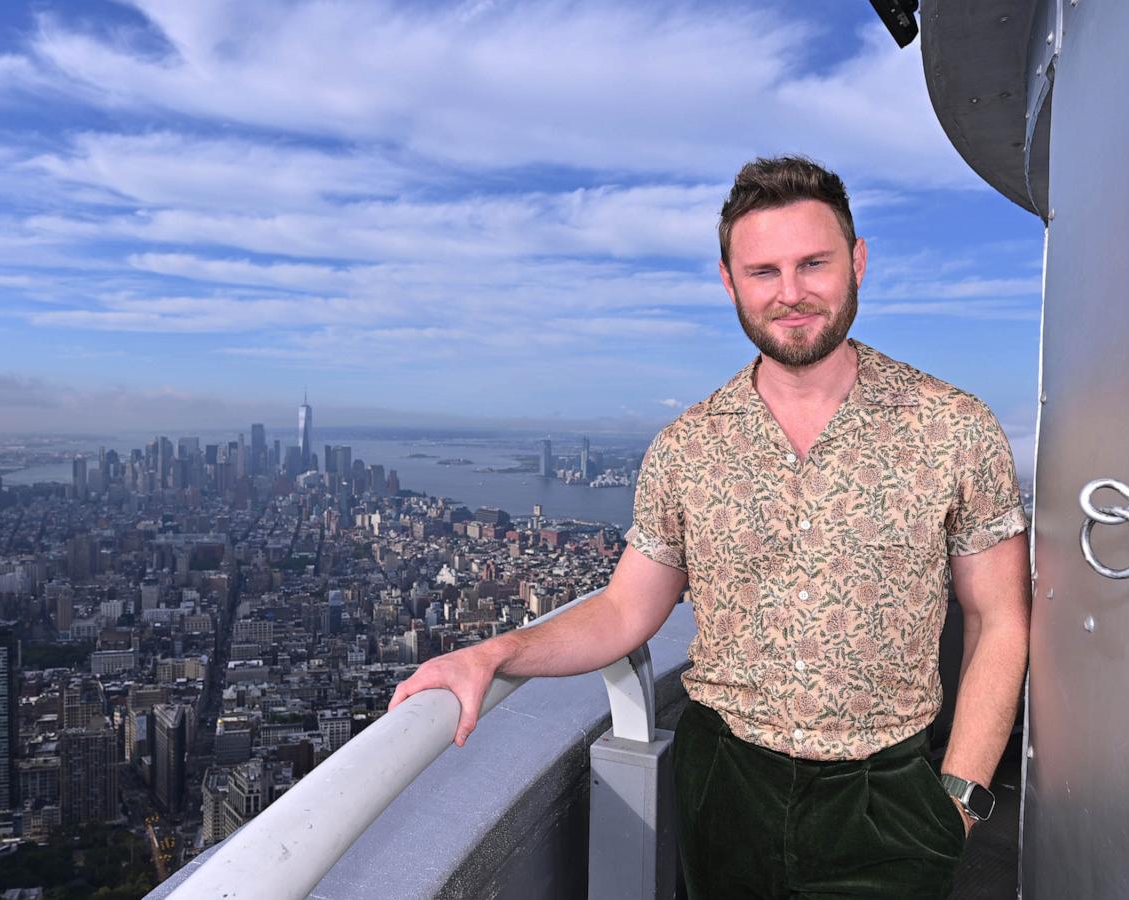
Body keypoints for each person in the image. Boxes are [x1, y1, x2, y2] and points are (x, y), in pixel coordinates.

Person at [389, 156, 1031, 898]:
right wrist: (496, 653)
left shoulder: (952, 426)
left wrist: (962, 796)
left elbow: (999, 617)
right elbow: (626, 609)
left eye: (813, 263)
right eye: (763, 272)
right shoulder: (688, 447)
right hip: (725, 785)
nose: (790, 294)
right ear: (730, 283)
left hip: (885, 792)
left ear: (857, 262)